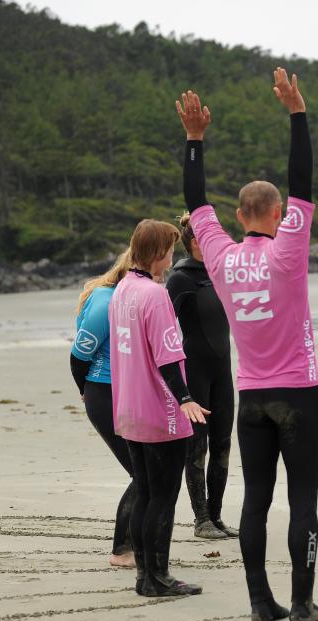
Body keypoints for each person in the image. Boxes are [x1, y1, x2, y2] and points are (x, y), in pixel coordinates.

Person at [176, 68, 318, 621]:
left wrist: (195, 141)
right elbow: (304, 181)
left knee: (256, 501)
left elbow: (195, 201)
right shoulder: (288, 249)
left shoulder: (217, 256)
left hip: (252, 397)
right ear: (275, 215)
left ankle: (259, 603)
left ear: (238, 216)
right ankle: (302, 603)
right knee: (304, 502)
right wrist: (297, 112)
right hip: (300, 393)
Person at [109, 219, 209, 597]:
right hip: (159, 411)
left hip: (129, 411)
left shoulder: (122, 290)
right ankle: (160, 577)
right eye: (169, 250)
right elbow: (168, 358)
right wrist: (185, 399)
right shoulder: (154, 295)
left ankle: (144, 577)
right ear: (157, 254)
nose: (172, 257)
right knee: (162, 498)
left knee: (146, 494)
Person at [166, 215, 238, 540]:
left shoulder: (221, 273)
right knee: (197, 449)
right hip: (194, 372)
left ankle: (217, 516)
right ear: (196, 243)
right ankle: (201, 520)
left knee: (222, 444)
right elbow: (163, 329)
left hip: (223, 372)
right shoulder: (180, 278)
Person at [70, 250, 136, 568]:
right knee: (143, 474)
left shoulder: (133, 296)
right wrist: (85, 390)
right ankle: (122, 550)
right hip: (103, 393)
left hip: (127, 392)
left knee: (146, 473)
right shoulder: (106, 300)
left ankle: (135, 544)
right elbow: (79, 355)